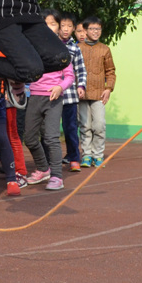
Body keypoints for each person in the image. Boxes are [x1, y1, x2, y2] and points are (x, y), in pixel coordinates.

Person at [24, 9, 74, 190]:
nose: (48, 27)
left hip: (54, 99)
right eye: (45, 23)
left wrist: (60, 87)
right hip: (34, 96)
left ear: (59, 28)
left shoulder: (62, 50)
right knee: (29, 138)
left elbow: (70, 76)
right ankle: (43, 168)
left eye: (53, 23)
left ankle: (56, 176)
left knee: (51, 138)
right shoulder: (31, 47)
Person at [78, 16, 116, 168]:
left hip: (99, 94)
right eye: (92, 29)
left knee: (99, 125)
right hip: (81, 95)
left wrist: (109, 88)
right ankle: (87, 155)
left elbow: (111, 71)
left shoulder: (105, 49)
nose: (95, 32)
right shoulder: (77, 48)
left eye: (98, 29)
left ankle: (98, 155)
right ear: (85, 31)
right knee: (85, 126)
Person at [58, 12, 87, 171]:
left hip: (70, 97)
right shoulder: (50, 45)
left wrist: (81, 86)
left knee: (70, 128)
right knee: (51, 131)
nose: (66, 29)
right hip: (52, 95)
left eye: (70, 26)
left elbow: (81, 70)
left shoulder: (75, 49)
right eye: (63, 26)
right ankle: (51, 160)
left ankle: (74, 157)